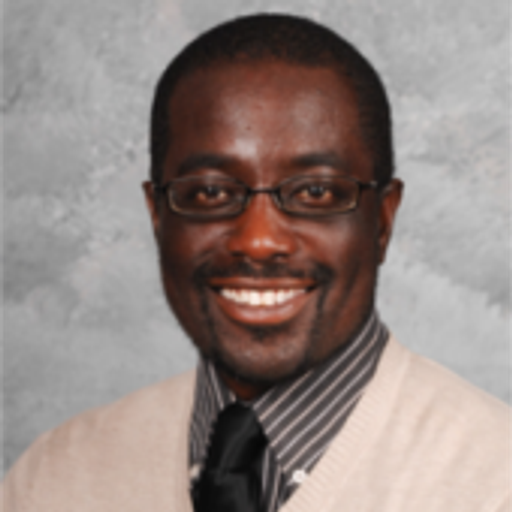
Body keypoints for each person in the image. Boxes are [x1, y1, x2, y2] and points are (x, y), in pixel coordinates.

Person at [1, 13, 510, 512]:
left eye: (315, 192)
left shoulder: (496, 482)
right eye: (209, 192)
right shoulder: (51, 480)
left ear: (382, 220)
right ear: (158, 216)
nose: (259, 240)